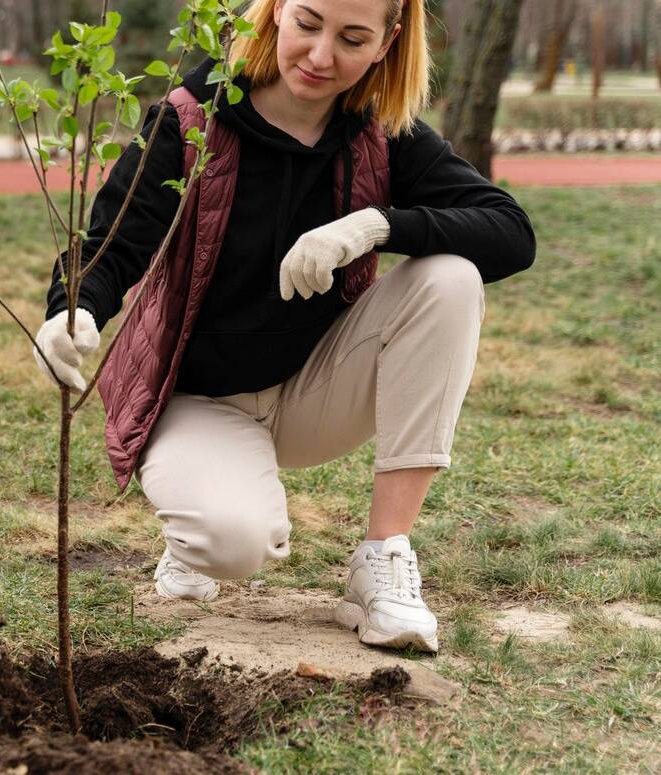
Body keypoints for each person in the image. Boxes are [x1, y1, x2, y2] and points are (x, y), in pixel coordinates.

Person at [34, 0, 534, 654]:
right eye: (307, 23)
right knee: (232, 543)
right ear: (273, 11)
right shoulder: (193, 118)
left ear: (386, 45)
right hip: (200, 402)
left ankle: (381, 557)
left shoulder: (378, 131)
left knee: (450, 279)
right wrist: (71, 311)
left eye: (353, 38)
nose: (322, 57)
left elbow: (511, 232)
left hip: (314, 394)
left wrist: (376, 225)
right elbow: (112, 246)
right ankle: (196, 534)